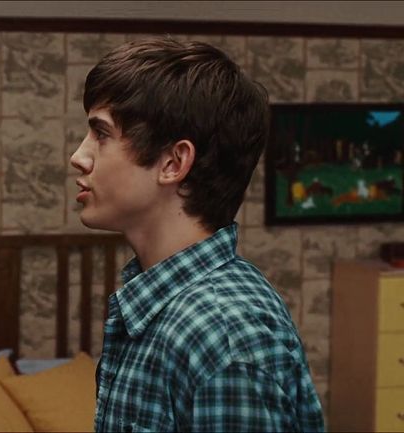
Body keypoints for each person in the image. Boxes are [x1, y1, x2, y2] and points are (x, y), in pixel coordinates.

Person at [70, 37, 324, 432]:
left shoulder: (221, 335)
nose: (78, 157)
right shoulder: (164, 303)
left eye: (101, 135)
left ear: (173, 163)